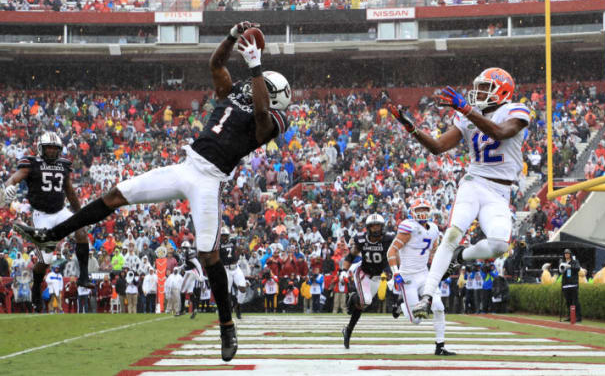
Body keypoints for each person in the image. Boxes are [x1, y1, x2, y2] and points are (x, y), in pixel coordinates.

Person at [13, 21, 291, 362]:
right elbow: (216, 65)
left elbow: (262, 111)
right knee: (115, 194)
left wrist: (256, 66)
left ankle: (226, 326)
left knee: (209, 255)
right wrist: (232, 37)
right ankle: (52, 236)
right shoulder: (235, 93)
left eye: (257, 84)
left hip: (209, 179)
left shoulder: (275, 119)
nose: (250, 87)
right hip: (186, 167)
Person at [388, 68, 529, 318]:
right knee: (453, 232)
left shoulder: (515, 110)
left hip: (500, 192)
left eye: (486, 87)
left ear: (502, 90)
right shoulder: (467, 117)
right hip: (474, 182)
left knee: (498, 245)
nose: (479, 92)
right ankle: (427, 296)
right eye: (480, 87)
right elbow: (438, 147)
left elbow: (499, 133)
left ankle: (461, 256)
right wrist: (410, 127)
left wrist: (467, 110)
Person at [2, 132, 94, 313]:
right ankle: (36, 288)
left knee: (82, 232)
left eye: (55, 148)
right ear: (41, 148)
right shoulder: (31, 164)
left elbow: (70, 192)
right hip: (42, 215)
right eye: (49, 147)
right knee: (46, 259)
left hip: (60, 211)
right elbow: (14, 178)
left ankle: (83, 276)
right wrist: (8, 187)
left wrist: (81, 214)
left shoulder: (64, 165)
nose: (52, 151)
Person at [387, 198, 456, 356]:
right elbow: (391, 251)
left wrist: (441, 267)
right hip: (408, 277)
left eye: (425, 209)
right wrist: (395, 272)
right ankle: (401, 306)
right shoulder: (408, 227)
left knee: (438, 307)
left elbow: (434, 252)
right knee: (416, 320)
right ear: (412, 212)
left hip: (425, 274)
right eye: (419, 210)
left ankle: (440, 346)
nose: (422, 213)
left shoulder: (433, 229)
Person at [342, 214, 394, 349]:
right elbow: (350, 256)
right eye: (373, 226)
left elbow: (395, 256)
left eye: (378, 225)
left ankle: (348, 330)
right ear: (368, 227)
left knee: (362, 305)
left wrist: (390, 271)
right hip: (363, 273)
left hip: (377, 277)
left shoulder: (388, 239)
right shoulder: (361, 240)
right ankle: (352, 297)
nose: (376, 228)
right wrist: (343, 271)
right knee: (365, 301)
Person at [559, 249, 582, 322]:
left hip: (573, 284)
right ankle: (570, 316)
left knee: (575, 301)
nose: (566, 255)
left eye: (568, 253)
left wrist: (569, 266)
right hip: (566, 284)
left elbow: (578, 268)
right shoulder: (562, 262)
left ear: (570, 254)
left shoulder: (575, 262)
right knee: (568, 302)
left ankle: (578, 317)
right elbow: (560, 272)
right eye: (565, 253)